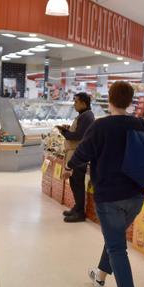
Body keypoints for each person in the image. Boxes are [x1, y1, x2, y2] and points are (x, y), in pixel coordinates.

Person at [67, 81, 144, 287]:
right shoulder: (141, 125)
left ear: (110, 99)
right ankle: (100, 276)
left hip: (110, 197)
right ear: (130, 100)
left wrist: (68, 167)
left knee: (116, 246)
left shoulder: (101, 126)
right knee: (114, 239)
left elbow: (82, 153)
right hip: (136, 196)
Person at [57, 93, 95, 223]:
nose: (74, 104)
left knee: (78, 182)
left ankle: (80, 213)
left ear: (84, 103)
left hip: (78, 154)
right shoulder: (84, 115)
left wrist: (64, 132)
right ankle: (77, 207)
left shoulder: (87, 116)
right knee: (74, 182)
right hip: (75, 153)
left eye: (76, 102)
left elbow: (78, 136)